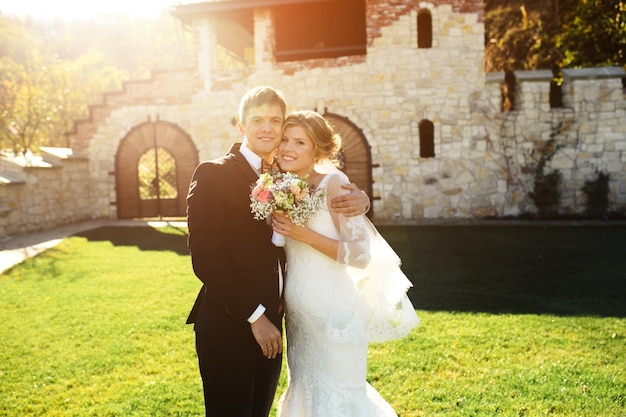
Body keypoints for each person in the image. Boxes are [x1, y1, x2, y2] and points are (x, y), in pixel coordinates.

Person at [186, 87, 370, 417]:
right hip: (232, 323)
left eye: (275, 120)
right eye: (257, 120)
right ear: (242, 126)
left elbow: (326, 194)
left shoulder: (286, 175)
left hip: (280, 324)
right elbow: (206, 259)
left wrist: (362, 200)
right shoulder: (214, 174)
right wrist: (255, 316)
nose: (267, 128)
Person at [272, 110, 419, 417]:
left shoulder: (335, 184)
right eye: (285, 139)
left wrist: (303, 234)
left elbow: (361, 255)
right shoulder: (279, 184)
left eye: (300, 142)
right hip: (299, 315)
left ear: (317, 150)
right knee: (305, 390)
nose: (288, 147)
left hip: (335, 311)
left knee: (340, 396)